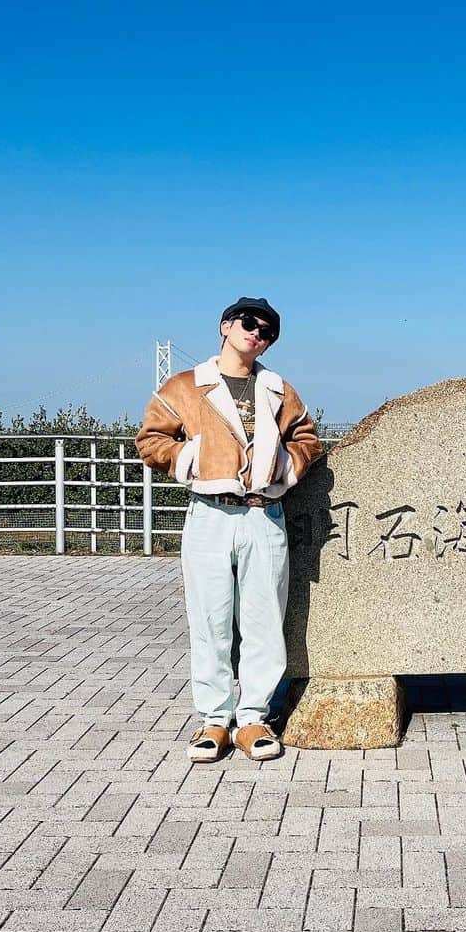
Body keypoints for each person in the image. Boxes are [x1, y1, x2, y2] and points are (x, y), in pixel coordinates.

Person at [135, 297, 322, 762]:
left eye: (267, 332)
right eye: (248, 324)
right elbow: (151, 438)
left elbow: (308, 438)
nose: (256, 334)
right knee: (210, 618)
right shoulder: (184, 386)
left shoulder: (278, 388)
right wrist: (192, 458)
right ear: (225, 326)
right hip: (209, 514)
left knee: (263, 619)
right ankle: (214, 720)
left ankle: (254, 717)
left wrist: (284, 465)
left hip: (264, 514)